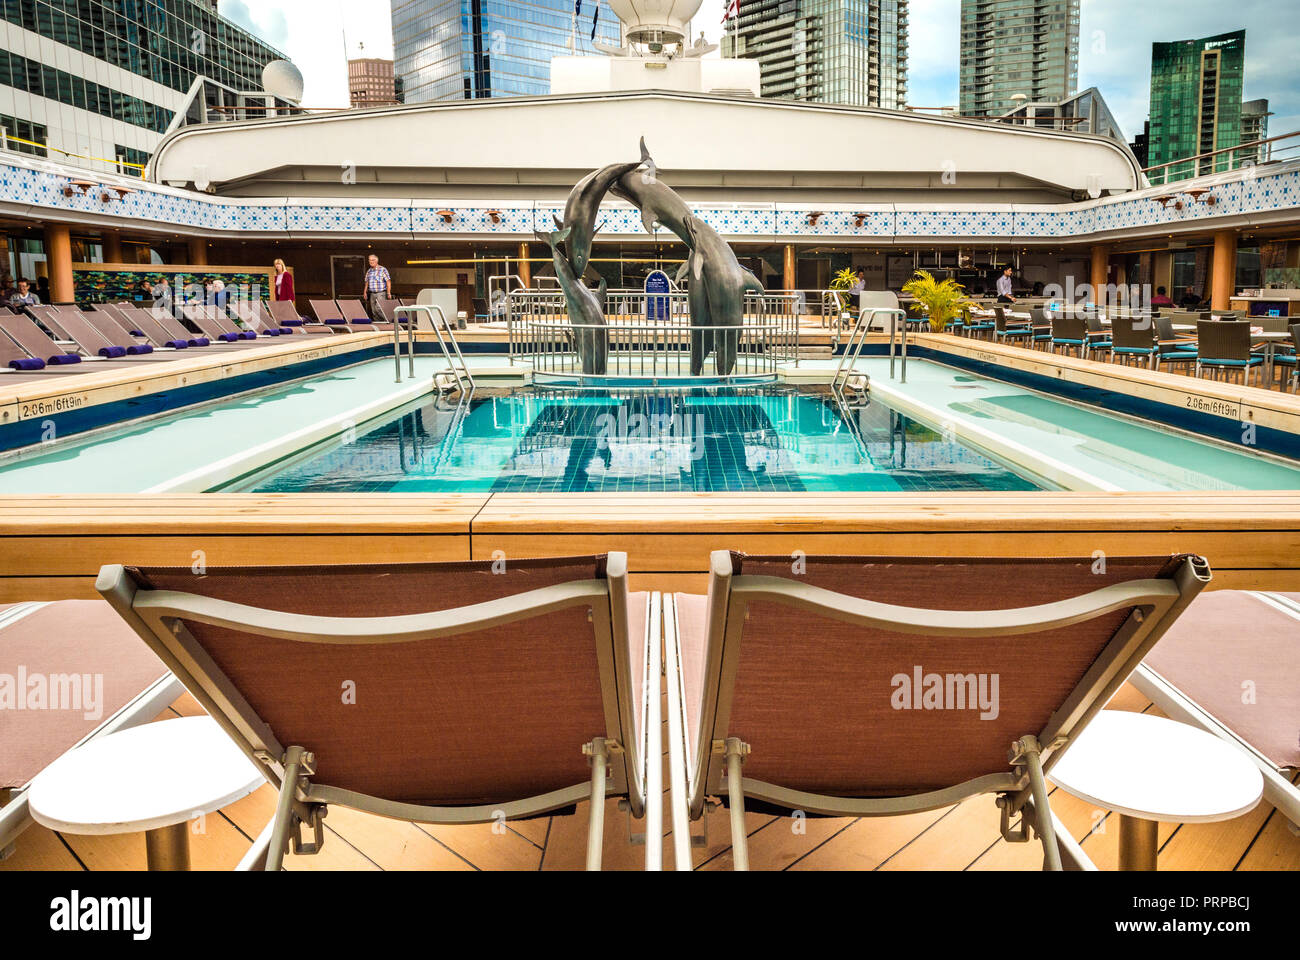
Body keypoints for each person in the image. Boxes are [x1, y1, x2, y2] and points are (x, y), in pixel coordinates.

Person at [362, 253, 391, 318]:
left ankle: (388, 320)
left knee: (379, 309)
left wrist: (388, 292)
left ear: (376, 261)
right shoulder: (369, 271)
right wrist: (364, 292)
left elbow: (388, 281)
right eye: (369, 260)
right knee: (374, 311)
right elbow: (366, 282)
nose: (371, 262)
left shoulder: (382, 269)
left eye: (372, 260)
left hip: (381, 293)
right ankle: (379, 326)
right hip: (372, 294)